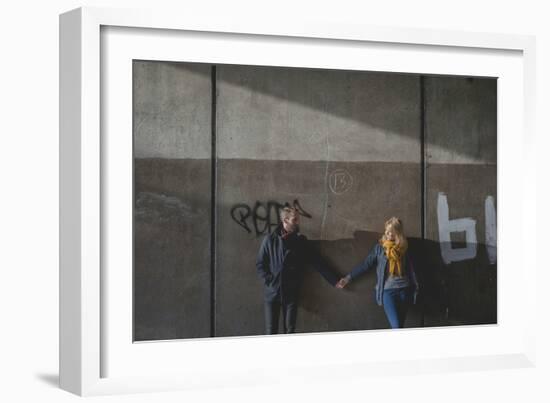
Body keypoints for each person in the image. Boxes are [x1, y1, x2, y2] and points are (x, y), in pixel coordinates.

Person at [256, 207, 338, 334]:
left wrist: (335, 280)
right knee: (271, 331)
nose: (298, 222)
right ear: (285, 220)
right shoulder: (270, 240)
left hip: (291, 294)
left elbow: (317, 262)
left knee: (290, 331)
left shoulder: (300, 241)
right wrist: (270, 281)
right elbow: (261, 264)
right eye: (295, 220)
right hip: (272, 294)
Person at [336, 217, 419, 329]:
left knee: (401, 328)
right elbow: (366, 264)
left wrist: (414, 288)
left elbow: (410, 270)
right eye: (387, 231)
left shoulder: (404, 248)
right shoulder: (380, 248)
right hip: (388, 292)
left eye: (393, 232)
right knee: (397, 327)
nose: (389, 234)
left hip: (405, 290)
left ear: (398, 233)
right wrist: (348, 278)